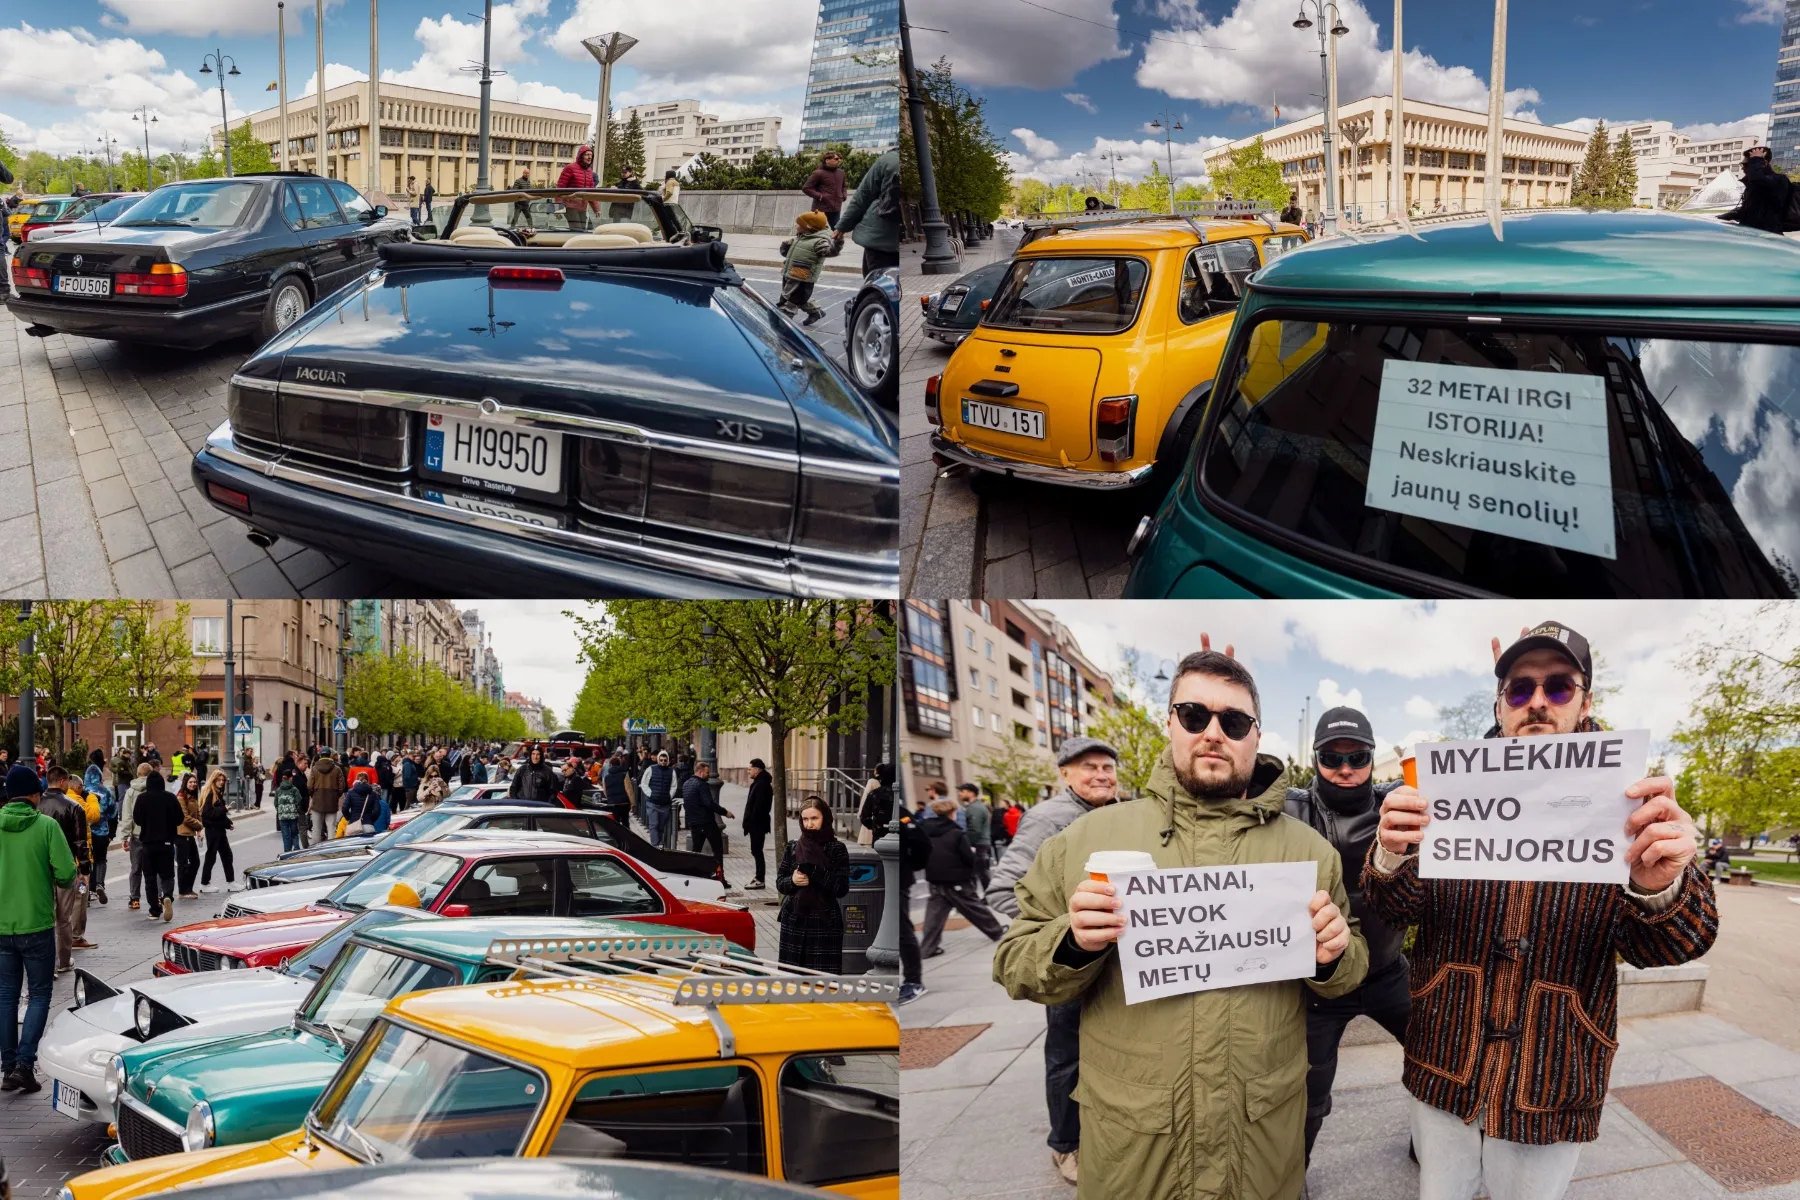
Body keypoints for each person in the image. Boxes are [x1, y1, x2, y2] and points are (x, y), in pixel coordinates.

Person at [994, 648, 1366, 1199]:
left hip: (1260, 1146)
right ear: (1169, 723)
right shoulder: (1085, 841)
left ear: (1255, 736)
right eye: (1195, 715)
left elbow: (1350, 965)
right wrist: (1071, 942)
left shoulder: (1310, 851)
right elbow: (1014, 963)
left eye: (1233, 721)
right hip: (1137, 1152)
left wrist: (1333, 954)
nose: (1213, 733)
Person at [1367, 622, 1717, 1200]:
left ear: (1585, 702)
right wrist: (1391, 854)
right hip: (1446, 1060)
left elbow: (1672, 945)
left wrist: (1659, 885)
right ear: (1499, 704)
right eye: (1519, 688)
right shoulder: (1447, 792)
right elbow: (1392, 906)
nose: (1536, 702)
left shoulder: (1628, 797)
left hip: (1550, 1075)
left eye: (1557, 687)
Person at [984, 736, 1124, 1185]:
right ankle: (1066, 1144)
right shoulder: (1049, 819)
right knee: (1067, 1058)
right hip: (1070, 965)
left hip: (1117, 965)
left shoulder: (1126, 814)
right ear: (1064, 774)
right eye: (1089, 768)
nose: (1101, 775)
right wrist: (1068, 931)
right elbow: (1002, 890)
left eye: (1107, 767)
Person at [1284, 706, 1413, 1162]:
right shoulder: (1290, 808)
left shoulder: (1395, 802)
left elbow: (1472, 784)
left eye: (1357, 758)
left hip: (1388, 972)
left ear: (1372, 758)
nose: (1345, 768)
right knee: (1308, 1095)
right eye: (1331, 758)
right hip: (1320, 982)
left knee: (1439, 1063)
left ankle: (1432, 1147)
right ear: (1315, 759)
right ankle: (1289, 1178)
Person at [0, 763, 76, 1094]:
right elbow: (66, 874)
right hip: (37, 923)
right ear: (34, 795)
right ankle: (24, 1065)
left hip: (1, 926)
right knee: (40, 993)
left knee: (6, 995)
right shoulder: (46, 826)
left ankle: (7, 1067)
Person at [918, 794, 1005, 958]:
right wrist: (971, 870)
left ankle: (927, 948)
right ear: (952, 813)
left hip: (935, 877)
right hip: (956, 877)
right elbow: (968, 857)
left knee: (934, 916)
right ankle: (995, 930)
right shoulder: (956, 833)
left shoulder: (924, 831)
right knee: (974, 907)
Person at [776, 795, 852, 971]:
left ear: (825, 817)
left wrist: (814, 872)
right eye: (805, 819)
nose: (809, 824)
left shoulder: (837, 849)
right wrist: (792, 881)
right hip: (794, 920)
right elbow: (780, 883)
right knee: (792, 977)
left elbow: (841, 888)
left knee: (822, 979)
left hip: (824, 922)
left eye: (814, 818)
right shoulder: (793, 847)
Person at [38, 767, 94, 973]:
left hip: (41, 866)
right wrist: (84, 869)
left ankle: (49, 963)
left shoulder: (37, 804)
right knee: (64, 916)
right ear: (63, 781)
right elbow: (80, 841)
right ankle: (63, 960)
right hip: (65, 866)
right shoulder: (74, 806)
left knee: (46, 916)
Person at [833, 145, 900, 275]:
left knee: (877, 282)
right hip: (889, 237)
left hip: (880, 237)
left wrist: (843, 226)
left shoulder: (887, 160)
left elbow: (863, 196)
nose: (838, 160)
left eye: (838, 158)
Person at [130, 771, 180, 923]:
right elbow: (179, 818)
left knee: (150, 877)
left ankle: (154, 910)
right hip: (166, 843)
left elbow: (137, 819)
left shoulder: (142, 798)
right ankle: (167, 896)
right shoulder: (170, 798)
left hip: (148, 844)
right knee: (167, 875)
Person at [777, 210, 840, 326]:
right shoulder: (802, 237)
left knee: (789, 299)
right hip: (791, 271)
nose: (796, 226)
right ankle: (816, 312)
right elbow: (788, 254)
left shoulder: (820, 241)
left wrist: (837, 244)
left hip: (803, 276)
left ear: (808, 227)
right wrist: (785, 246)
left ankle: (784, 320)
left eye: (799, 224)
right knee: (798, 297)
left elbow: (829, 252)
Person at [1720, 145, 1793, 234]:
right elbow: (1748, 209)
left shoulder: (1779, 180)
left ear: (1764, 163)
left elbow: (1758, 180)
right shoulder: (1753, 184)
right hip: (1751, 234)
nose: (1742, 168)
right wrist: (1721, 217)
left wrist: (1756, 160)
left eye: (1746, 164)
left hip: (1768, 235)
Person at [681, 762, 733, 883]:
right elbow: (709, 803)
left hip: (694, 823)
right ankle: (719, 878)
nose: (709, 775)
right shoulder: (702, 784)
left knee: (696, 852)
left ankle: (693, 877)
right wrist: (725, 812)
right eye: (707, 773)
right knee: (717, 850)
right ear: (700, 772)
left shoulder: (686, 784)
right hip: (706, 822)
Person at [82, 750, 116, 905]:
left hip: (85, 832)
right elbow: (113, 813)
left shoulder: (82, 791)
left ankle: (88, 889)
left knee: (86, 860)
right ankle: (99, 884)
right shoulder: (106, 791)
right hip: (102, 831)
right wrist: (112, 833)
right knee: (101, 859)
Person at [196, 770, 236, 893]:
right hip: (213, 830)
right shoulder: (210, 794)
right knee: (212, 856)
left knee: (226, 855)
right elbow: (207, 813)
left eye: (223, 780)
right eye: (218, 780)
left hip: (218, 829)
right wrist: (224, 809)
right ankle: (204, 883)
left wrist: (228, 823)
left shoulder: (217, 793)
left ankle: (231, 882)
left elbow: (217, 814)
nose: (221, 782)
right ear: (213, 780)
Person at [121, 763, 150, 909]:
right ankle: (158, 897)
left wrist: (125, 836)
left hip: (137, 835)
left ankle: (135, 899)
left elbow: (127, 815)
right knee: (154, 868)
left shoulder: (130, 792)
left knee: (136, 868)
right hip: (152, 835)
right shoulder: (154, 789)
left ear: (137, 774)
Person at [742, 758, 774, 888]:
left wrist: (750, 823)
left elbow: (758, 807)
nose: (748, 771)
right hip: (757, 824)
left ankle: (760, 879)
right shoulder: (759, 783)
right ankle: (758, 877)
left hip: (758, 824)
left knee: (757, 851)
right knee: (756, 851)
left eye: (750, 769)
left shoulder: (762, 785)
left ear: (757, 769)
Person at [639, 749, 678, 849]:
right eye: (661, 760)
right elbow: (644, 783)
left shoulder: (671, 771)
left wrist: (669, 796)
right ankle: (655, 846)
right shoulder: (651, 769)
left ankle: (658, 844)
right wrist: (651, 794)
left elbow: (674, 786)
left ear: (667, 760)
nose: (663, 762)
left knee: (661, 826)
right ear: (658, 760)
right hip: (653, 802)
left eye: (665, 760)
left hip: (665, 803)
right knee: (654, 824)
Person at [959, 782, 993, 891]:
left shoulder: (975, 808)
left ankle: (985, 896)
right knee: (981, 872)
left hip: (977, 843)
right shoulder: (976, 806)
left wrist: (967, 844)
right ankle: (985, 895)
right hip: (981, 842)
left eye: (962, 791)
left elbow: (974, 829)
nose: (960, 794)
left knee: (979, 872)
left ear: (971, 793)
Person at [173, 773, 203, 898]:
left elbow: (198, 814)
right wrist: (199, 826)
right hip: (181, 833)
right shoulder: (181, 797)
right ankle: (183, 891)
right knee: (183, 863)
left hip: (189, 833)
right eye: (190, 782)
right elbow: (185, 818)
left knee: (195, 862)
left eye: (194, 782)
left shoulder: (193, 797)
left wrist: (199, 829)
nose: (193, 784)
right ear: (185, 783)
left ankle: (188, 888)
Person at [802, 149, 848, 230]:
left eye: (840, 158)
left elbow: (844, 186)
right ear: (827, 160)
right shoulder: (818, 173)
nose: (839, 160)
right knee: (815, 230)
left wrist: (843, 195)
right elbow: (806, 188)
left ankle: (837, 239)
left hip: (835, 208)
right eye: (836, 159)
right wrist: (820, 196)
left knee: (837, 230)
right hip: (820, 208)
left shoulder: (841, 173)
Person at [306, 750, 344, 846]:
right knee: (331, 828)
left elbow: (309, 786)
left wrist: (313, 795)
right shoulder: (337, 769)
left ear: (320, 755)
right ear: (330, 755)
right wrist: (335, 796)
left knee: (316, 828)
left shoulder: (314, 768)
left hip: (317, 802)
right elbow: (342, 787)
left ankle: (315, 848)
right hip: (332, 802)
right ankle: (331, 848)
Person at [273, 770, 304, 853]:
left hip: (282, 816)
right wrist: (295, 808)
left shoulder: (279, 790)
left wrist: (280, 810)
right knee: (294, 833)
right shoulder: (294, 789)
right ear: (290, 778)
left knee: (285, 834)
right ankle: (296, 849)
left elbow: (275, 802)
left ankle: (287, 850)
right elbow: (299, 800)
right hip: (293, 815)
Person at [601, 752, 634, 828]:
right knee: (625, 822)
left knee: (615, 823)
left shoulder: (606, 777)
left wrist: (610, 798)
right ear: (619, 764)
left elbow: (605, 791)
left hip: (613, 803)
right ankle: (626, 835)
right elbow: (629, 790)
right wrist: (633, 803)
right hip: (624, 803)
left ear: (611, 765)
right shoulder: (624, 775)